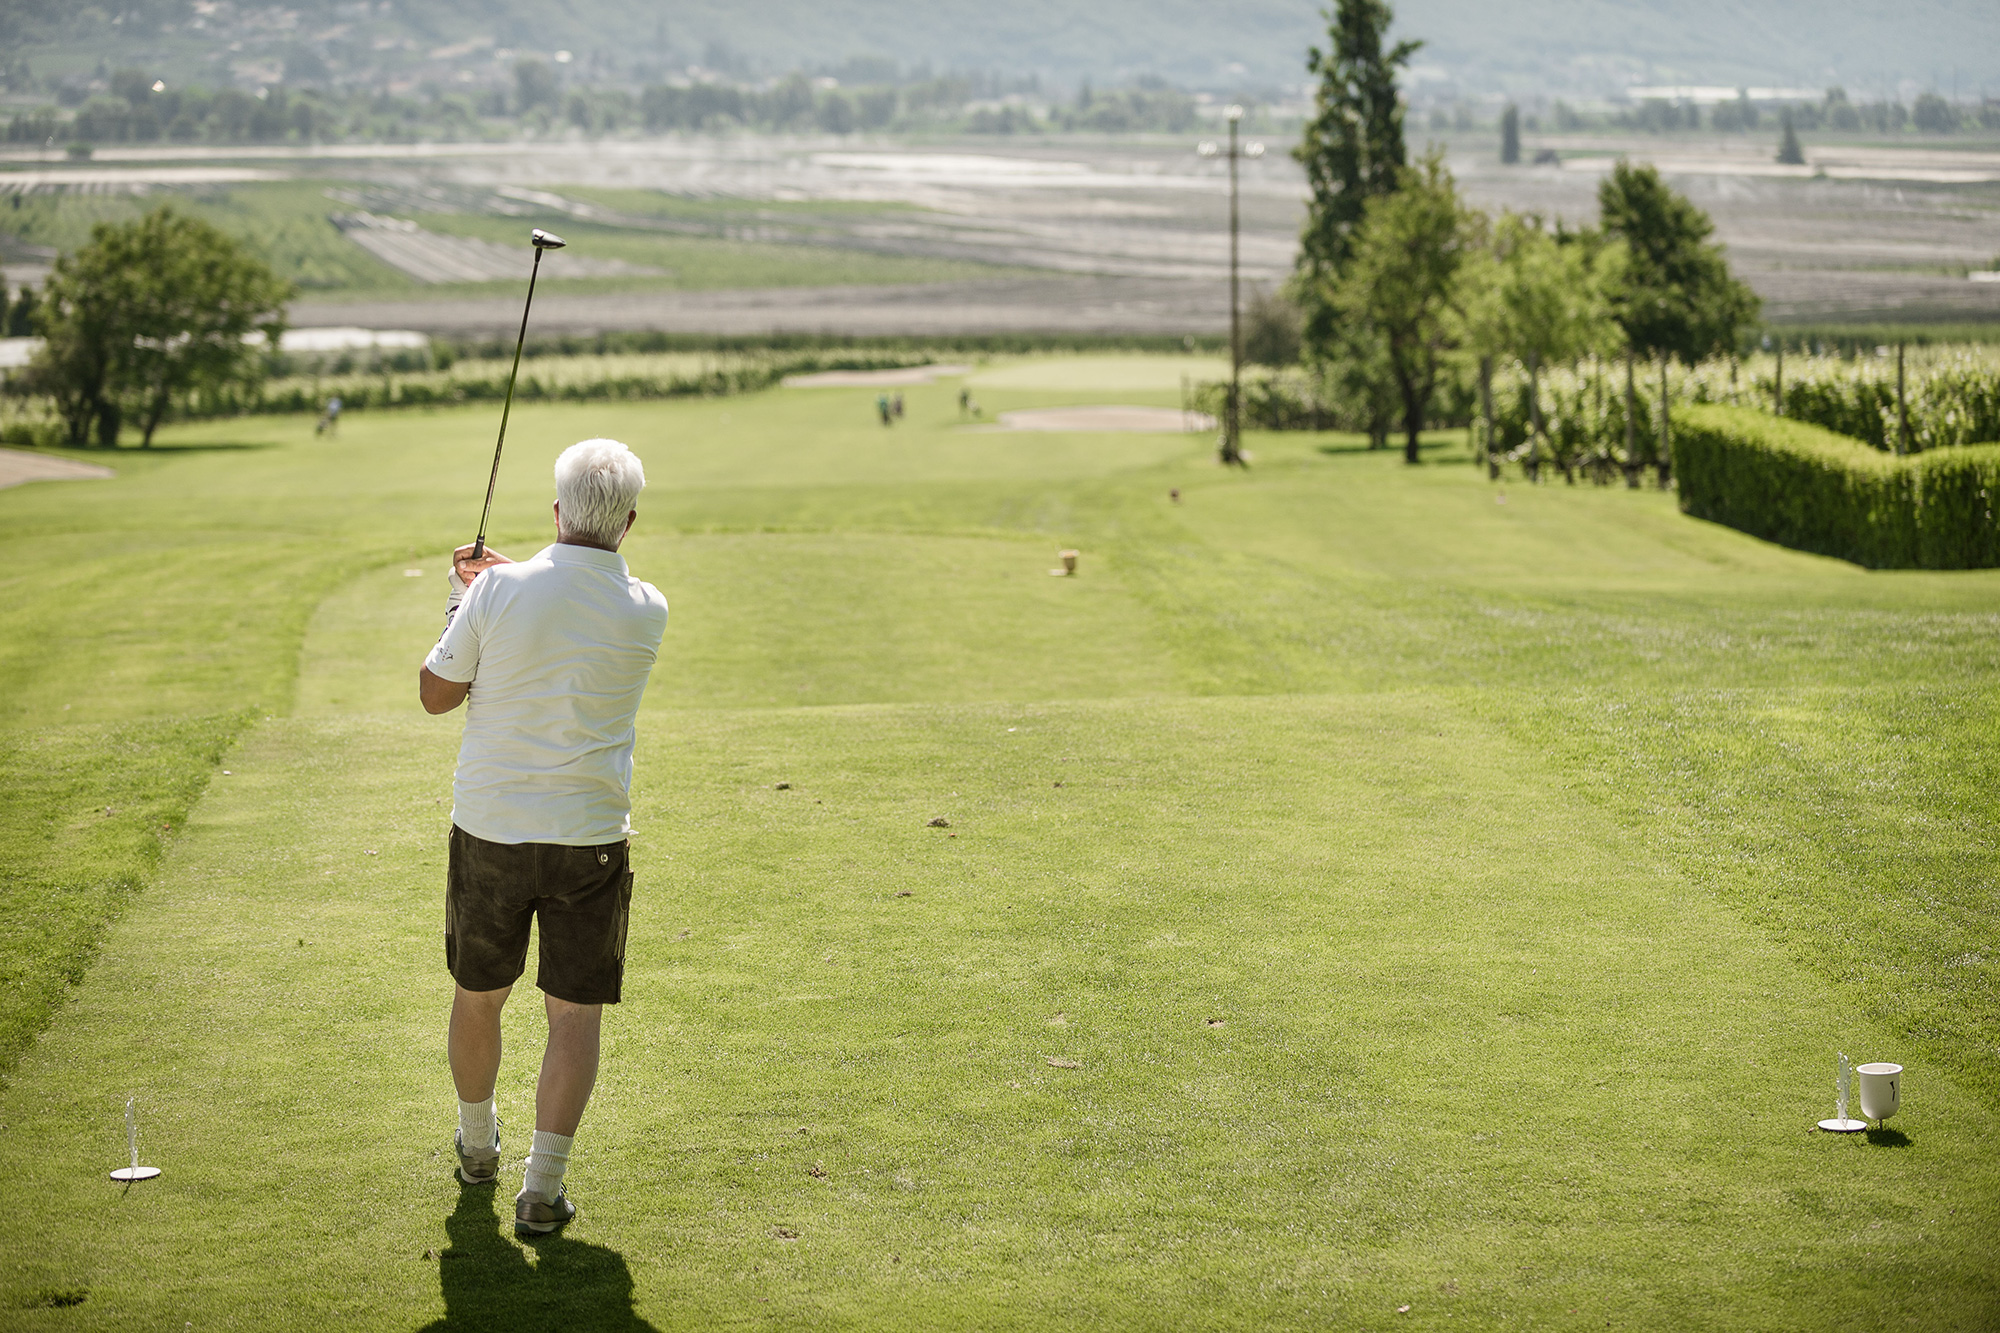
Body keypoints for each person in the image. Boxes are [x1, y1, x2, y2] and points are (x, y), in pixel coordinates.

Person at [418, 438, 669, 1237]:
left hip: (491, 829)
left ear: (557, 510)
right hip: (590, 839)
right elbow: (565, 595)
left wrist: (464, 600)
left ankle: (478, 1147)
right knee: (575, 1019)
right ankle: (542, 1190)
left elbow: (435, 695)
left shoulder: (495, 592)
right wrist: (492, 589)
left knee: (476, 996)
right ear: (628, 522)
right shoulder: (649, 606)